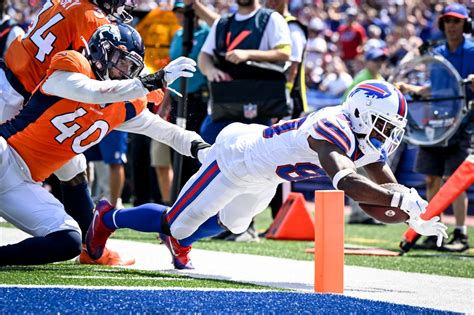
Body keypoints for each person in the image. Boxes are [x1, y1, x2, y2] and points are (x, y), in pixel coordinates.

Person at [86, 80, 448, 270]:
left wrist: (416, 215)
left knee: (234, 223)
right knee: (177, 224)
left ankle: (183, 241)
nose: (386, 135)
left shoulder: (362, 134)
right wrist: (398, 199)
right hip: (237, 159)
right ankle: (108, 218)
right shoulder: (332, 123)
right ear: (362, 111)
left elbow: (381, 194)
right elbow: (348, 183)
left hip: (265, 176)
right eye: (384, 125)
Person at [0, 23, 208, 266]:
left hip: (24, 184)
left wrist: (203, 149)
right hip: (6, 153)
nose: (125, 71)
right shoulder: (72, 63)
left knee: (68, 241)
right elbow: (92, 92)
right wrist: (150, 82)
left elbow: (168, 133)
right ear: (102, 51)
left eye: (132, 67)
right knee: (74, 163)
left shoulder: (124, 104)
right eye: (122, 61)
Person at [0, 0, 132, 265]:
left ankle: (89, 246)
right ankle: (91, 247)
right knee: (71, 163)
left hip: (16, 84)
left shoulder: (64, 2)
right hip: (17, 94)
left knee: (72, 163)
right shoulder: (94, 18)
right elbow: (100, 67)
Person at [197, 0, 291, 241]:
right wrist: (210, 71)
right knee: (208, 153)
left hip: (259, 101)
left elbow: (284, 53)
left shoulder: (270, 19)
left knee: (255, 162)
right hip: (225, 101)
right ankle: (214, 221)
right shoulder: (223, 22)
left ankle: (246, 225)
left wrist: (247, 54)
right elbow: (204, 57)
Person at [397, 3, 474, 252]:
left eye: (457, 21)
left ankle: (460, 235)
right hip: (436, 124)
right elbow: (437, 88)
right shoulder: (437, 53)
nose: (452, 26)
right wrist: (412, 90)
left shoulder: (473, 51)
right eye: (448, 21)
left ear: (465, 24)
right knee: (431, 177)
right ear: (442, 24)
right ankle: (432, 229)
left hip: (462, 123)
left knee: (455, 180)